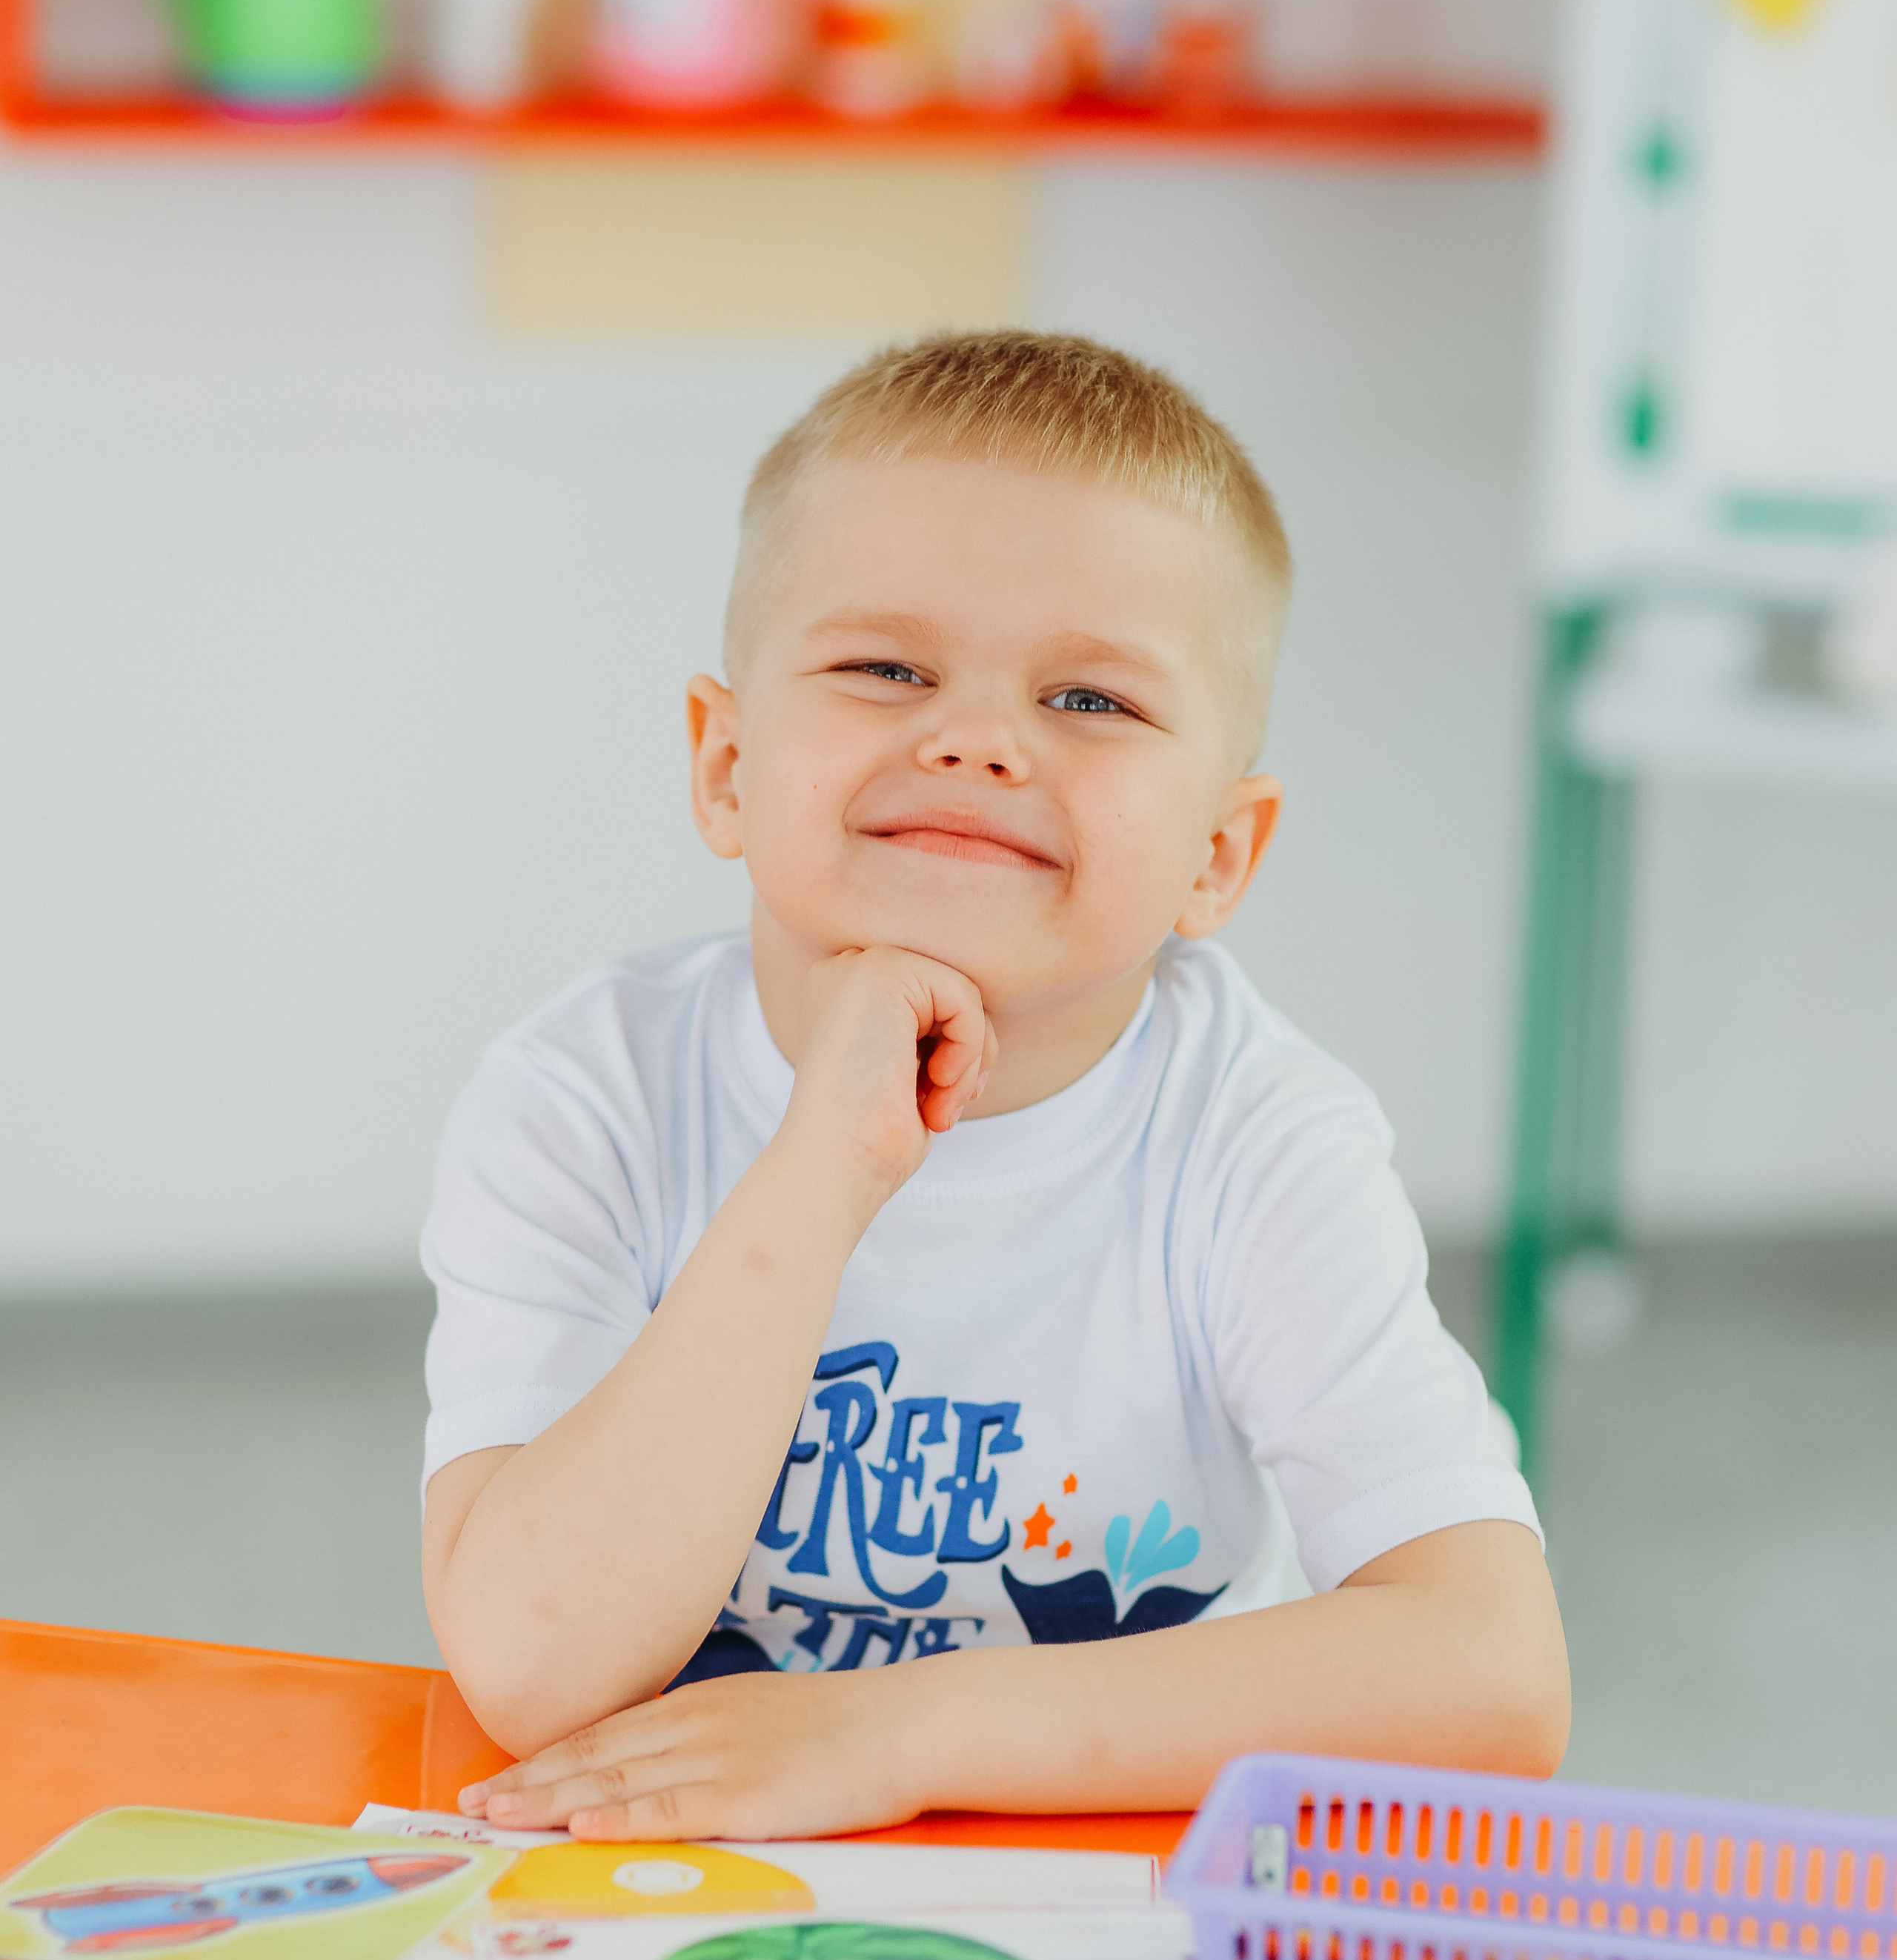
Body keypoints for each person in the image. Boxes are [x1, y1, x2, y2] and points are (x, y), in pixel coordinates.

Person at [422, 330, 1569, 1841]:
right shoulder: (585, 1094)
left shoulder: (1257, 1138)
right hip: (682, 1871)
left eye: (1089, 701)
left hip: (1122, 1869)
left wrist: (897, 1736)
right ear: (724, 766)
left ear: (1218, 857)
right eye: (884, 667)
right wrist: (817, 1173)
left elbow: (1490, 1674)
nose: (970, 739)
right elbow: (535, 1662)